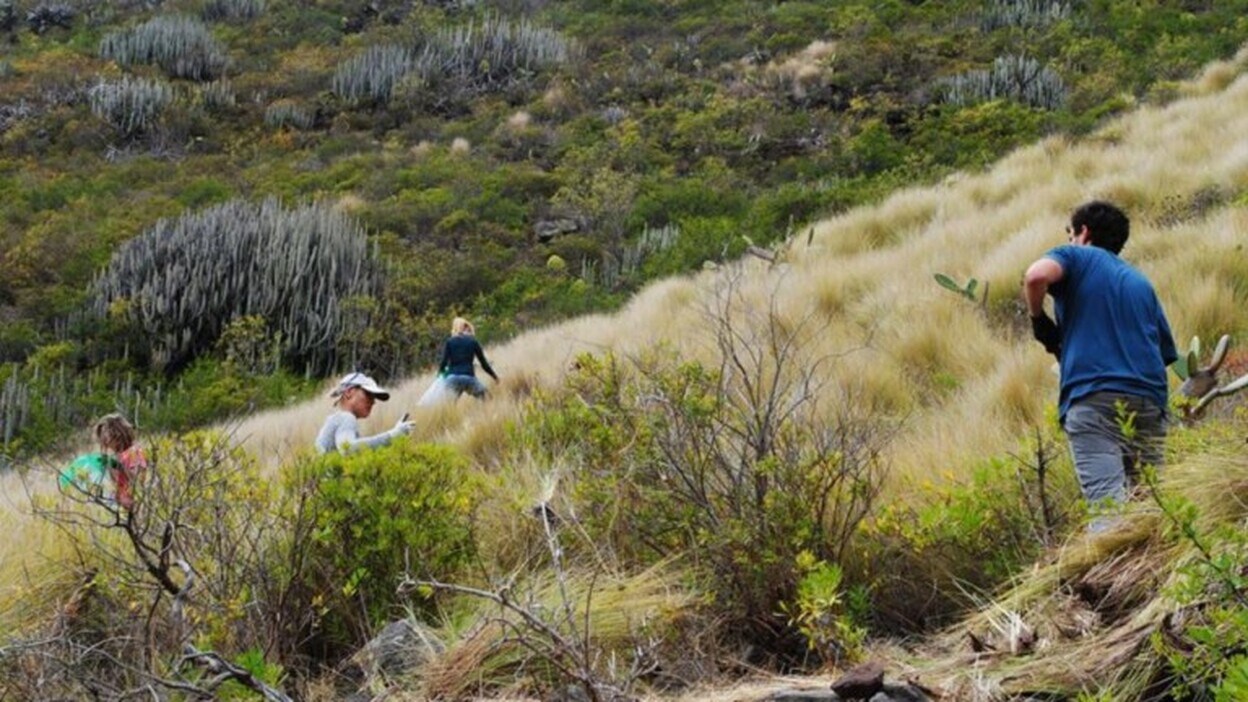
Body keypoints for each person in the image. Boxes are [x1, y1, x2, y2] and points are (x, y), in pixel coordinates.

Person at [1022, 201, 1178, 531]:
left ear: (1084, 233)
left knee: (1108, 509)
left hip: (1095, 399)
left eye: (1070, 233)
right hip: (1150, 400)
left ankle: (1109, 581)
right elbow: (1165, 352)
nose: (1068, 239)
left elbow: (1035, 276)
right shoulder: (1141, 283)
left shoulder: (1076, 256)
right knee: (1150, 507)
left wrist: (1039, 320)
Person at [314, 372, 414, 454]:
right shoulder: (346, 418)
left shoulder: (336, 419)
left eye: (374, 397)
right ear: (349, 393)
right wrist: (392, 435)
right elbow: (348, 449)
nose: (373, 401)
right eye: (368, 394)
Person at [436, 317, 499, 399]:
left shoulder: (450, 342)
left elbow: (443, 362)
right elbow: (484, 363)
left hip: (452, 379)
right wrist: (495, 377)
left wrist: (439, 375)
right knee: (487, 398)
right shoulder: (473, 341)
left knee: (449, 407)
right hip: (468, 377)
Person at [94, 413, 147, 509]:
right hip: (121, 506)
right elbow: (118, 482)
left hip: (134, 507)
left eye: (106, 437)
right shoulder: (117, 456)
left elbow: (138, 480)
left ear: (117, 434)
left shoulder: (134, 451)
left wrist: (118, 466)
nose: (105, 442)